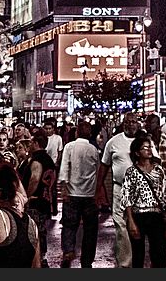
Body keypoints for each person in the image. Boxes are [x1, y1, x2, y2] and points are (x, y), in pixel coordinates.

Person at [97, 111, 140, 268]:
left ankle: (137, 259)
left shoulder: (144, 142)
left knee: (138, 225)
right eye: (127, 122)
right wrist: (99, 189)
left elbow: (155, 164)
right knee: (121, 225)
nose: (130, 125)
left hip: (140, 191)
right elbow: (104, 166)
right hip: (119, 188)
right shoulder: (113, 142)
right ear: (123, 124)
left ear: (138, 123)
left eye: (133, 122)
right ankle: (124, 263)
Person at [121, 134, 166, 268]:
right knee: (138, 254)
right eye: (145, 148)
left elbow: (165, 193)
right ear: (137, 153)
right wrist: (131, 221)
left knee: (159, 253)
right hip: (138, 216)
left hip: (156, 215)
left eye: (150, 147)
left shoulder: (158, 170)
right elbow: (127, 198)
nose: (149, 150)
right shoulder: (131, 172)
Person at [58, 121, 100, 268]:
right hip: (89, 194)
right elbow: (97, 171)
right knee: (90, 229)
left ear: (76, 133)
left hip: (72, 192)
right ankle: (87, 259)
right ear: (89, 134)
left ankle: (68, 251)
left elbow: (64, 169)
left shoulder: (69, 147)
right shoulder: (93, 149)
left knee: (69, 224)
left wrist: (63, 189)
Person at [17, 131, 56, 267]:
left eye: (32, 142)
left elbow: (34, 179)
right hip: (45, 200)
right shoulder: (48, 159)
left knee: (35, 231)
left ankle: (39, 259)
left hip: (36, 201)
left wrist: (26, 197)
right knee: (40, 230)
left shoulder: (37, 160)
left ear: (36, 143)